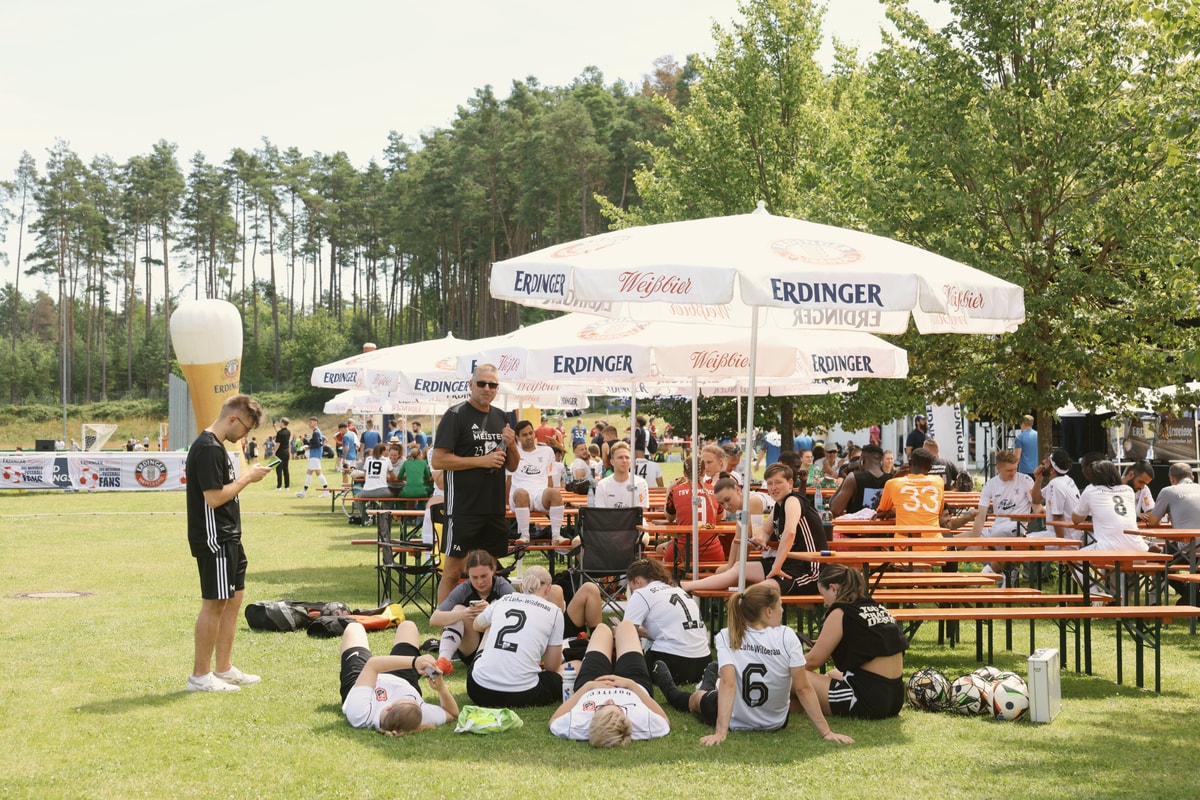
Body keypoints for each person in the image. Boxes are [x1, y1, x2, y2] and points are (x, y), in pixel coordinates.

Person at [651, 582, 852, 746]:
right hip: (776, 723)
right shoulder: (787, 635)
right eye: (780, 606)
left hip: (736, 720)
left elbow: (729, 684)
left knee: (695, 699)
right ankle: (707, 678)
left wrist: (721, 732)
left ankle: (688, 684)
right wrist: (826, 732)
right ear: (768, 611)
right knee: (706, 692)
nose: (783, 610)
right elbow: (803, 687)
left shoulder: (727, 634)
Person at [185, 393, 272, 692]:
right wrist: (248, 478)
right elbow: (214, 498)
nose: (245, 436)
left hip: (230, 536)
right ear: (233, 419)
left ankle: (223, 668)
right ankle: (200, 675)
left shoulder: (217, 447)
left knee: (233, 601)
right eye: (246, 429)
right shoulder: (208, 448)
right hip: (216, 538)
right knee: (215, 604)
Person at [431, 363, 519, 604]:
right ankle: (445, 628)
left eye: (493, 384)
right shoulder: (456, 415)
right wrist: (482, 461)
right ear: (471, 385)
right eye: (482, 383)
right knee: (453, 572)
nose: (487, 388)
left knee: (489, 573)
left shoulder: (502, 416)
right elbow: (438, 459)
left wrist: (511, 445)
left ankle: (488, 625)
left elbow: (512, 466)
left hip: (492, 507)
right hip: (463, 507)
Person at [681, 463, 824, 595]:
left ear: (790, 483)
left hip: (809, 569)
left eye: (779, 482)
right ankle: (686, 587)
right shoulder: (779, 505)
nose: (774, 487)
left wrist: (776, 566)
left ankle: (745, 617)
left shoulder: (792, 500)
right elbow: (765, 531)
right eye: (770, 484)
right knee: (739, 567)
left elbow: (790, 532)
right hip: (788, 563)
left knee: (757, 592)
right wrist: (760, 539)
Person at [803, 564, 908, 719]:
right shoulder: (874, 606)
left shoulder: (840, 611)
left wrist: (779, 666)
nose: (824, 602)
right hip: (894, 697)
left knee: (794, 675)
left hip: (867, 701)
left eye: (823, 594)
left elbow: (812, 662)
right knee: (832, 674)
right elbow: (869, 646)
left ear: (833, 588)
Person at [549, 620, 671, 746]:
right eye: (618, 707)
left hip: (593, 683)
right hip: (633, 684)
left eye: (601, 707)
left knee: (602, 629)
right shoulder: (643, 724)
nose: (610, 700)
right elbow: (665, 720)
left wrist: (587, 687)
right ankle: (617, 639)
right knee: (626, 626)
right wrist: (631, 685)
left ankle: (613, 642)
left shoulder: (578, 725)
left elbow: (553, 720)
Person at [338, 620, 458, 735]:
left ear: (389, 707)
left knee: (354, 628)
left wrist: (415, 662)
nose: (418, 702)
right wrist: (441, 688)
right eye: (416, 701)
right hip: (404, 679)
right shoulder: (420, 714)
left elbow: (372, 665)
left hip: (360, 679)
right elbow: (452, 713)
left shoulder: (360, 714)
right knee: (408, 626)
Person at [468, 566, 564, 707]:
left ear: (521, 586)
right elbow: (551, 667)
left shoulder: (504, 600)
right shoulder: (554, 612)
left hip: (478, 689)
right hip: (523, 694)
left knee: (489, 624)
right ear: (548, 589)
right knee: (569, 670)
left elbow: (476, 625)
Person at [427, 549, 515, 673]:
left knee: (492, 622)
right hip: (471, 647)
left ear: (493, 570)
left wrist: (491, 610)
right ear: (468, 574)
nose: (480, 582)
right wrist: (465, 613)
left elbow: (522, 614)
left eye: (484, 576)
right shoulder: (464, 588)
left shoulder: (502, 586)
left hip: (496, 650)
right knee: (457, 610)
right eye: (475, 577)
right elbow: (434, 619)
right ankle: (443, 661)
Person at [624, 559, 710, 682]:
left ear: (637, 581)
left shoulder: (641, 593)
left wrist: (619, 630)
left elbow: (627, 632)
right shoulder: (677, 589)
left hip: (673, 663)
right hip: (703, 662)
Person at [961, 449, 1036, 577]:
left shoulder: (1026, 481)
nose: (1013, 473)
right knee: (960, 544)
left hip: (1016, 528)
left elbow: (1037, 506)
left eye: (1015, 469)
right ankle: (952, 573)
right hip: (996, 529)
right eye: (1009, 470)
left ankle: (987, 574)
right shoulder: (990, 485)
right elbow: (981, 515)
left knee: (970, 545)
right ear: (998, 469)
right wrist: (974, 539)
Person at [506, 419, 568, 545]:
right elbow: (509, 478)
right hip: (520, 497)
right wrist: (506, 503)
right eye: (524, 435)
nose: (529, 437)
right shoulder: (513, 452)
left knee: (555, 493)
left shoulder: (547, 451)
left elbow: (550, 478)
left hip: (540, 494)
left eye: (530, 433)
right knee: (521, 493)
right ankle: (525, 535)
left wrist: (549, 495)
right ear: (517, 437)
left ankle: (556, 535)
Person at [1146, 462, 1200, 601]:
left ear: (1172, 479)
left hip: (1187, 550)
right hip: (1195, 550)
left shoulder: (1168, 491)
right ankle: (1191, 596)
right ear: (1192, 478)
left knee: (1159, 560)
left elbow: (1153, 522)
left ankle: (1190, 596)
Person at [1072, 460, 1148, 552]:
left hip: (1108, 549)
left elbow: (1075, 519)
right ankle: (1149, 546)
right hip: (1138, 548)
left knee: (1073, 558)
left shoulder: (1091, 490)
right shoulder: (1128, 490)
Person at [661, 459, 724, 563]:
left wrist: (668, 491)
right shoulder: (714, 490)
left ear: (684, 473)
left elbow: (669, 517)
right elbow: (719, 517)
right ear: (704, 472)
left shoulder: (675, 491)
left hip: (683, 549)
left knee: (662, 555)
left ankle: (676, 578)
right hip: (713, 550)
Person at [875, 447, 947, 530]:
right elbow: (939, 512)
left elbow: (881, 512)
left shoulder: (892, 483)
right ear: (930, 468)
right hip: (933, 539)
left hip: (904, 540)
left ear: (909, 464)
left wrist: (895, 511)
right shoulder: (938, 481)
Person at [1033, 448, 1081, 540]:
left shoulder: (1056, 484)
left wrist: (1061, 546)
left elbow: (1058, 517)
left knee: (1023, 543)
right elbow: (1036, 500)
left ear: (1052, 471)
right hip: (1068, 534)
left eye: (1046, 463)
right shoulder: (1066, 479)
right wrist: (1038, 479)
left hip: (1064, 537)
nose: (1042, 464)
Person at [830, 444, 890, 517]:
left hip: (856, 527)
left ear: (862, 460)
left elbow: (834, 510)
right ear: (882, 460)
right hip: (884, 528)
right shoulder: (891, 479)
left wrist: (846, 479)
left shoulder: (854, 478)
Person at [593, 441, 649, 509]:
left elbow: (643, 511)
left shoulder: (640, 483)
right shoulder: (602, 485)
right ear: (612, 462)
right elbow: (600, 513)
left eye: (627, 457)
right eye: (620, 457)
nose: (624, 460)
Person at [354, 443, 395, 521]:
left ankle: (365, 518)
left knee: (357, 498)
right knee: (391, 496)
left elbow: (365, 476)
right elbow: (392, 476)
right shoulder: (387, 460)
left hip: (367, 491)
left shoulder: (368, 459)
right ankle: (386, 518)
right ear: (383, 452)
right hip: (382, 491)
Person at [295, 416, 331, 498]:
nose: (309, 424)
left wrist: (309, 447)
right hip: (315, 455)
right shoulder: (317, 432)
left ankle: (326, 491)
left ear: (315, 423)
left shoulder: (316, 432)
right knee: (310, 473)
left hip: (315, 455)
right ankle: (304, 492)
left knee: (318, 474)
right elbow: (322, 441)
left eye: (311, 422)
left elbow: (318, 444)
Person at [272, 417, 292, 490]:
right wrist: (275, 429)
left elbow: (278, 444)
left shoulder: (280, 433)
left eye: (280, 422)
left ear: (282, 423)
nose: (279, 423)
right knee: (286, 469)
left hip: (280, 453)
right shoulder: (288, 432)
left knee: (279, 470)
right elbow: (281, 434)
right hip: (286, 452)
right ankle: (287, 486)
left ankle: (279, 486)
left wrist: (274, 452)